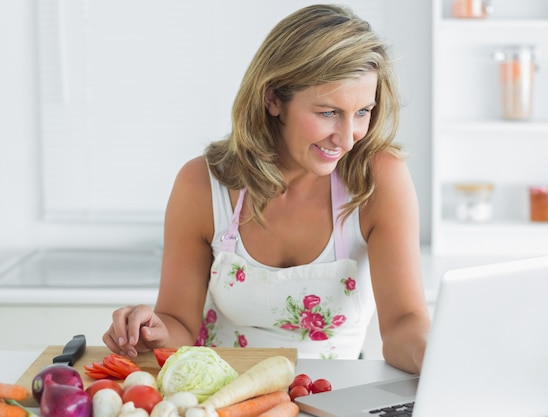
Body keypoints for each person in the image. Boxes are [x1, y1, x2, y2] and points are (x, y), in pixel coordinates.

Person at [103, 3, 431, 374]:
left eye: (362, 112)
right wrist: (153, 332)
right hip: (219, 395)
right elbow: (178, 322)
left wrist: (435, 355)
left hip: (331, 395)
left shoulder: (378, 180)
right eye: (328, 112)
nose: (347, 137)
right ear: (273, 98)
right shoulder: (201, 184)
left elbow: (404, 323)